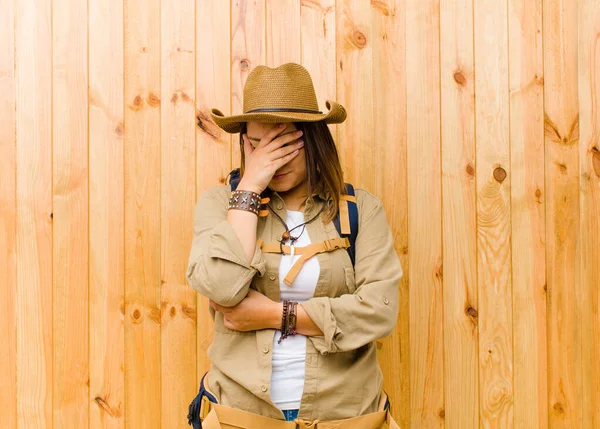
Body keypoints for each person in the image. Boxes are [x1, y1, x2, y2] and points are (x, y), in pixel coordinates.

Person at [186, 63, 403, 429]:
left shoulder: (360, 210)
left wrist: (276, 315)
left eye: (285, 143)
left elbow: (379, 310)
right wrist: (249, 189)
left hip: (345, 416)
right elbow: (221, 288)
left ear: (313, 139)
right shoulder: (218, 205)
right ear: (243, 143)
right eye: (258, 145)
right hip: (239, 416)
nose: (273, 158)